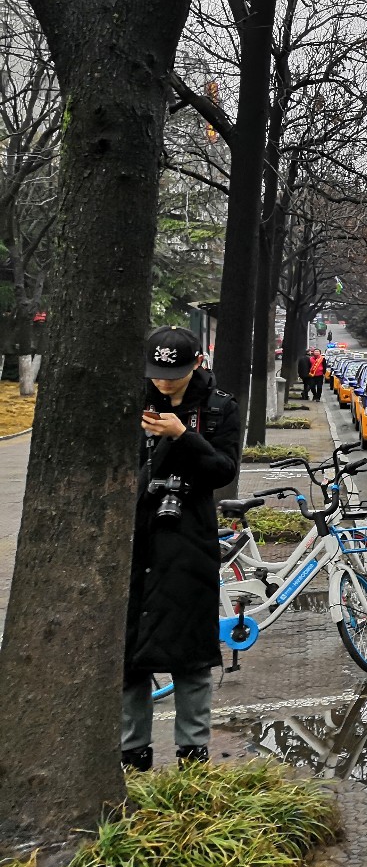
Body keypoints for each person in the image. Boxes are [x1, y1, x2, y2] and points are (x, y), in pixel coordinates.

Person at [123, 326, 240, 770]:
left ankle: (193, 754)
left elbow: (223, 470)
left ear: (197, 364)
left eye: (173, 374)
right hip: (135, 538)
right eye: (155, 372)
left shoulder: (218, 407)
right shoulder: (133, 399)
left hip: (189, 539)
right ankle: (132, 754)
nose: (163, 382)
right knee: (129, 653)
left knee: (191, 653)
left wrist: (182, 435)